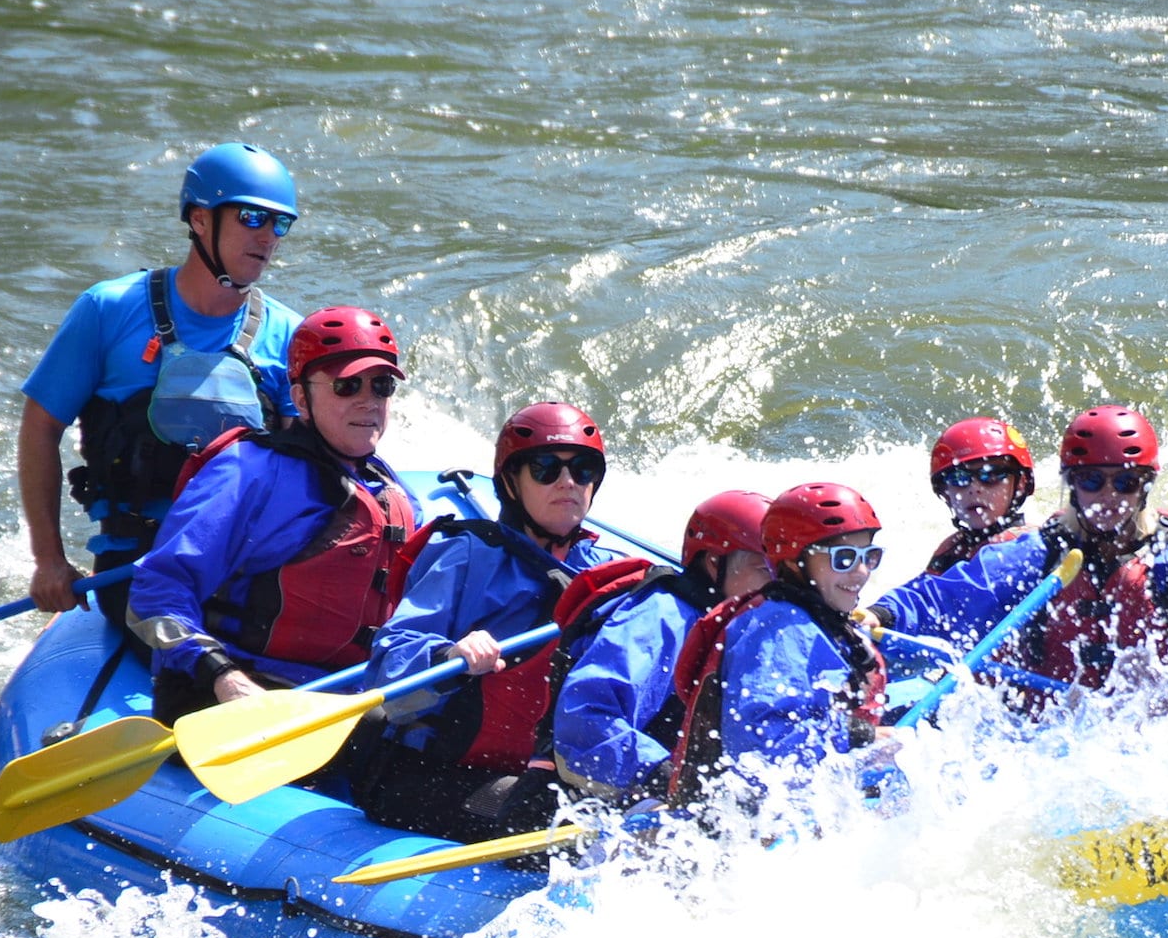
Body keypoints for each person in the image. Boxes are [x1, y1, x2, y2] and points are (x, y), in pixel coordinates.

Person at [19, 143, 303, 624]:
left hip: (242, 564)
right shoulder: (108, 310)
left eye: (281, 223)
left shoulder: (290, 334)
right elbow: (40, 428)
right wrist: (49, 559)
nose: (269, 237)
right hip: (137, 563)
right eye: (253, 217)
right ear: (199, 219)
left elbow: (305, 468)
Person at [125, 306, 417, 723]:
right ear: (301, 398)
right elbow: (156, 590)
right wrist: (223, 676)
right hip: (227, 690)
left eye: (381, 385)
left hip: (336, 693)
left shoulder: (392, 491)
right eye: (347, 386)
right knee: (372, 731)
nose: (368, 401)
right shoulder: (247, 473)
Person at [350, 402, 623, 840]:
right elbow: (387, 661)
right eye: (546, 468)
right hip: (424, 773)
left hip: (529, 774)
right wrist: (449, 654)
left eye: (584, 469)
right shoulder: (465, 554)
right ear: (511, 482)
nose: (569, 482)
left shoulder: (605, 573)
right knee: (559, 825)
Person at [860, 405, 1168, 693]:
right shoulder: (1039, 552)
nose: (1108, 496)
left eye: (1126, 482)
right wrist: (879, 616)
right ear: (1070, 484)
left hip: (1154, 737)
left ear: (1146, 484)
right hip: (1055, 733)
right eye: (1092, 481)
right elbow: (941, 598)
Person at [668, 483, 891, 802]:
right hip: (743, 821)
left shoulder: (817, 618)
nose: (861, 572)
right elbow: (759, 743)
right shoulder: (779, 629)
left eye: (870, 556)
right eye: (843, 558)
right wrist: (860, 737)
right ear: (792, 561)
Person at [550, 490, 773, 804]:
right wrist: (663, 773)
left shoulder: (752, 629)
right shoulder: (662, 617)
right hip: (583, 805)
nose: (776, 585)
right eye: (764, 568)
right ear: (714, 563)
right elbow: (584, 718)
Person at [923, 417, 1037, 575]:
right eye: (958, 478)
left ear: (1020, 484)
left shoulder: (1030, 544)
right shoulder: (950, 551)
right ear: (945, 493)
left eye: (990, 475)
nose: (974, 489)